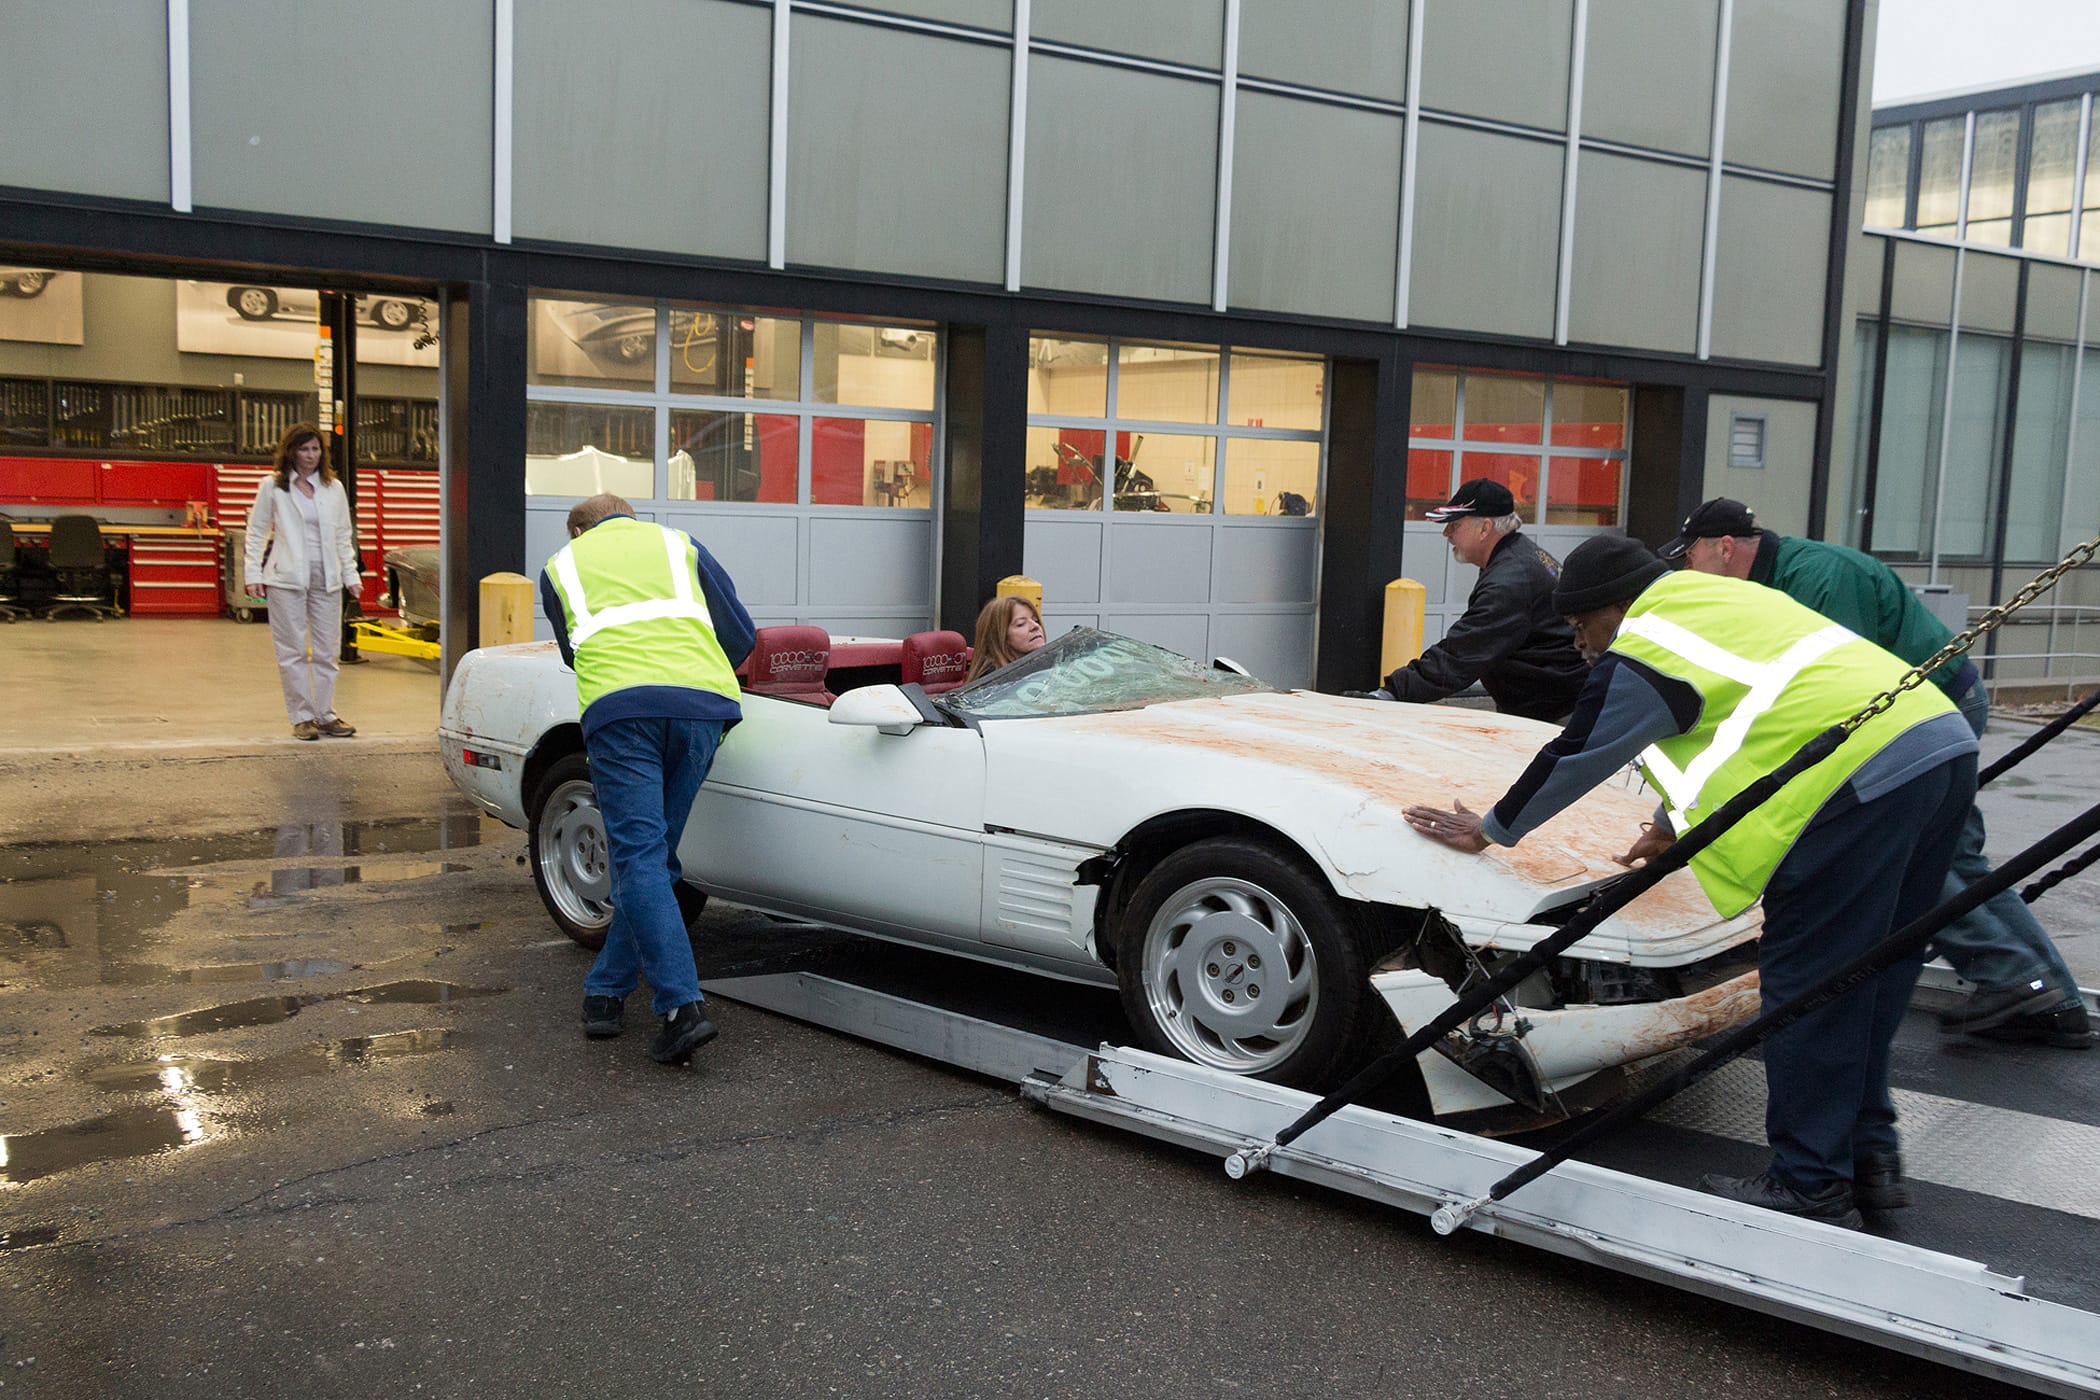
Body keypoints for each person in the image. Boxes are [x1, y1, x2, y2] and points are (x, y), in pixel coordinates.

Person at [1405, 536, 1976, 1228]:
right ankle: (1868, 1161)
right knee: (1875, 974)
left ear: (1611, 610)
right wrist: (1671, 820)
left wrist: (1492, 828)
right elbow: (1749, 719)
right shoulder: (1716, 600)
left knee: (1810, 984)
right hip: (1936, 747)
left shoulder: (1648, 642)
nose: (1581, 645)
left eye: (1581, 627)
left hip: (1851, 784)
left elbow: (1579, 751)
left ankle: (1807, 1182)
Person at [1664, 498, 2090, 1050]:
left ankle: (2015, 980)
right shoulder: (1785, 577)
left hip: (1929, 713)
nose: (1686, 570)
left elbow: (1840, 691)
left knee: (1912, 855)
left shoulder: (1817, 578)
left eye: (1690, 556)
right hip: (1932, 709)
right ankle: (2049, 994)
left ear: (1723, 548)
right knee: (1956, 858)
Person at [538, 492, 755, 1065]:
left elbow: (573, 653)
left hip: (624, 713)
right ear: (631, 519)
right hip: (703, 710)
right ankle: (605, 993)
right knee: (652, 861)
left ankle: (681, 1007)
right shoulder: (680, 544)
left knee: (639, 860)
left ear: (580, 530)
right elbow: (740, 635)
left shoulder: (562, 566)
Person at [1346, 479, 1588, 722]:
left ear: (1484, 528)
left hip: (1558, 712)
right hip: (1552, 704)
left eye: (1455, 525)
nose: (1446, 533)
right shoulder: (1517, 556)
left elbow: (1461, 655)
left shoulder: (1511, 580)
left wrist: (1390, 695)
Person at [244, 423, 363, 741]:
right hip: (285, 579)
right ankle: (302, 717)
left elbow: (343, 535)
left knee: (327, 652)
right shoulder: (273, 487)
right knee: (292, 651)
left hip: (327, 579)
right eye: (304, 449)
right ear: (291, 451)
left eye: (316, 449)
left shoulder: (332, 488)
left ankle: (326, 714)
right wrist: (252, 573)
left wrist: (351, 575)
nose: (311, 455)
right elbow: (256, 532)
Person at [965, 594, 1046, 682]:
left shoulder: (1047, 667)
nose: (1035, 626)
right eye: (1021, 624)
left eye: (1036, 620)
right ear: (999, 636)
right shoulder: (993, 684)